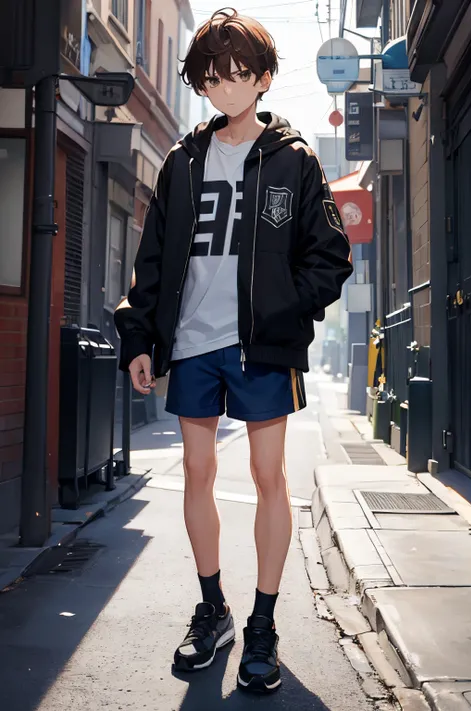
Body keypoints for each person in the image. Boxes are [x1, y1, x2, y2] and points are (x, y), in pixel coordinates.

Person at [114, 8, 352, 694]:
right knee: (195, 471)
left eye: (237, 75)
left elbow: (329, 259)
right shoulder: (181, 162)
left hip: (261, 349)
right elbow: (152, 261)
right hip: (190, 344)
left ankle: (265, 622)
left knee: (270, 477)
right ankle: (213, 605)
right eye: (211, 77)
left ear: (264, 79)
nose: (223, 87)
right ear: (201, 83)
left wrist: (282, 315)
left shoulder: (295, 160)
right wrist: (140, 336)